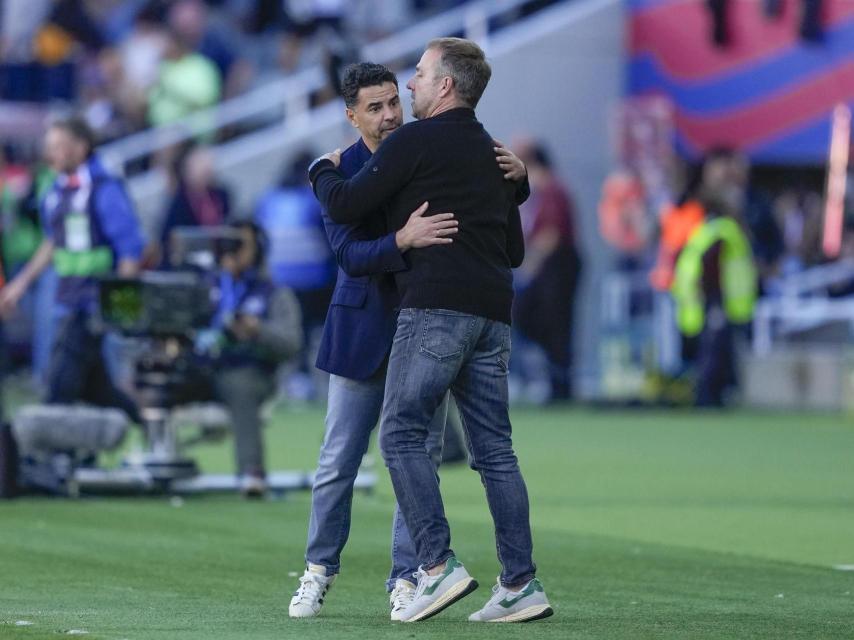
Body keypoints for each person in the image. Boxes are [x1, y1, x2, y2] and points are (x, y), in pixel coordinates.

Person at [309, 39, 552, 623]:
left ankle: (435, 567)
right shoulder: (494, 154)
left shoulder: (414, 142)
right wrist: (520, 185)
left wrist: (320, 169)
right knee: (495, 451)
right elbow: (515, 250)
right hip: (493, 315)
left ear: (445, 85)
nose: (409, 88)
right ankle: (521, 585)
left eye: (417, 76)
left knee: (399, 436)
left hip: (436, 310)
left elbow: (345, 205)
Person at [0, 116, 143, 422]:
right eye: (49, 147)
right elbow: (54, 241)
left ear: (81, 147)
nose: (51, 154)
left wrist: (122, 308)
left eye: (59, 146)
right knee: (97, 388)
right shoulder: (57, 189)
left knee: (60, 380)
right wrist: (21, 284)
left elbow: (130, 247)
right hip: (66, 294)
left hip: (93, 299)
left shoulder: (103, 188)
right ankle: (143, 422)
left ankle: (49, 452)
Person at [193, 221, 303, 495]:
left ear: (258, 251)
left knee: (240, 385)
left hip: (252, 370)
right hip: (202, 367)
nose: (234, 252)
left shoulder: (273, 293)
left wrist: (258, 330)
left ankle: (251, 471)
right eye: (229, 244)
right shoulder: (205, 286)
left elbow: (292, 342)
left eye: (241, 245)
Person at [671, 190, 757, 407]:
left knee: (712, 352)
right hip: (717, 302)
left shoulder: (705, 231)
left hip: (706, 303)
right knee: (712, 353)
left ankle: (711, 396)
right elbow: (711, 265)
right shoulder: (723, 231)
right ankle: (708, 398)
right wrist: (714, 298)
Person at [513, 141, 582, 401]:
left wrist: (529, 265)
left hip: (556, 267)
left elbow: (551, 234)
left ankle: (560, 384)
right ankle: (556, 378)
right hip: (549, 266)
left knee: (555, 324)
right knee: (540, 320)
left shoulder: (551, 190)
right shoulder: (540, 193)